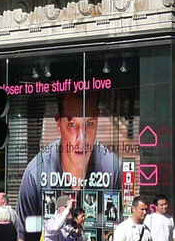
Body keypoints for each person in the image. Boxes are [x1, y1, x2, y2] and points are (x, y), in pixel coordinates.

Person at [17, 94, 125, 233]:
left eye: (89, 124)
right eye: (72, 125)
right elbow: (23, 236)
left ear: (98, 119)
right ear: (58, 124)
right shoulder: (36, 172)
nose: (82, 139)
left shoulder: (113, 169)